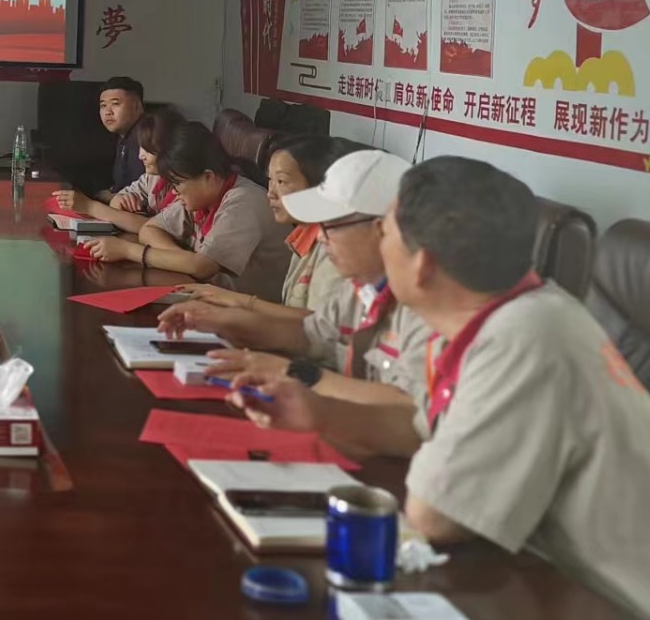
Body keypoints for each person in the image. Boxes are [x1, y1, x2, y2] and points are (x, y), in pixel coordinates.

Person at [227, 157, 650, 620]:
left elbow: (435, 515)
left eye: (386, 231)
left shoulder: (525, 336)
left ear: (422, 264)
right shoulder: (493, 320)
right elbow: (420, 428)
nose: (379, 239)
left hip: (624, 608)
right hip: (546, 581)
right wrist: (320, 412)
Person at [159, 149, 429, 407]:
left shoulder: (425, 313)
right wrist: (222, 320)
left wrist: (295, 373)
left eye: (332, 226)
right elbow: (311, 334)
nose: (321, 237)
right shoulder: (363, 288)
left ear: (383, 229)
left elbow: (410, 410)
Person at [83, 122, 289, 301]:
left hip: (255, 315)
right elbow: (149, 229)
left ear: (208, 177)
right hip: (215, 299)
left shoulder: (243, 202)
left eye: (178, 184)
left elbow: (202, 267)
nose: (174, 192)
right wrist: (183, 260)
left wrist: (128, 251)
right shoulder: (201, 197)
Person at [176, 135, 362, 315]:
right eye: (270, 180)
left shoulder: (335, 251)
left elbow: (314, 325)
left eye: (281, 181)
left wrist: (240, 303)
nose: (270, 193)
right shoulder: (303, 236)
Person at [55, 108, 182, 227]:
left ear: (171, 148)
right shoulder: (151, 178)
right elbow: (116, 202)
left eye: (148, 149)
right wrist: (121, 200)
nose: (140, 156)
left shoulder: (185, 191)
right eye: (141, 148)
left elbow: (155, 229)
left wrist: (90, 207)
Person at [97, 77, 147, 200]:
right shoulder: (123, 136)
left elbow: (145, 194)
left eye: (115, 104)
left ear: (137, 106)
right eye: (103, 105)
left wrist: (113, 197)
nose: (107, 112)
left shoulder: (147, 137)